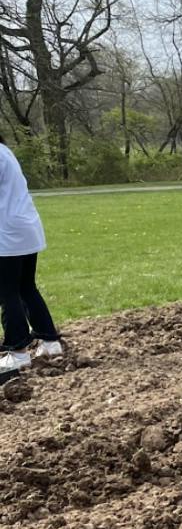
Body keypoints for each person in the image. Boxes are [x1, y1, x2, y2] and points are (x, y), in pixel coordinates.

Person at [0, 131, 63, 376]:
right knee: (26, 287)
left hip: (8, 233)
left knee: (8, 292)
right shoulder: (5, 151)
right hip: (25, 229)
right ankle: (50, 342)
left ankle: (17, 353)